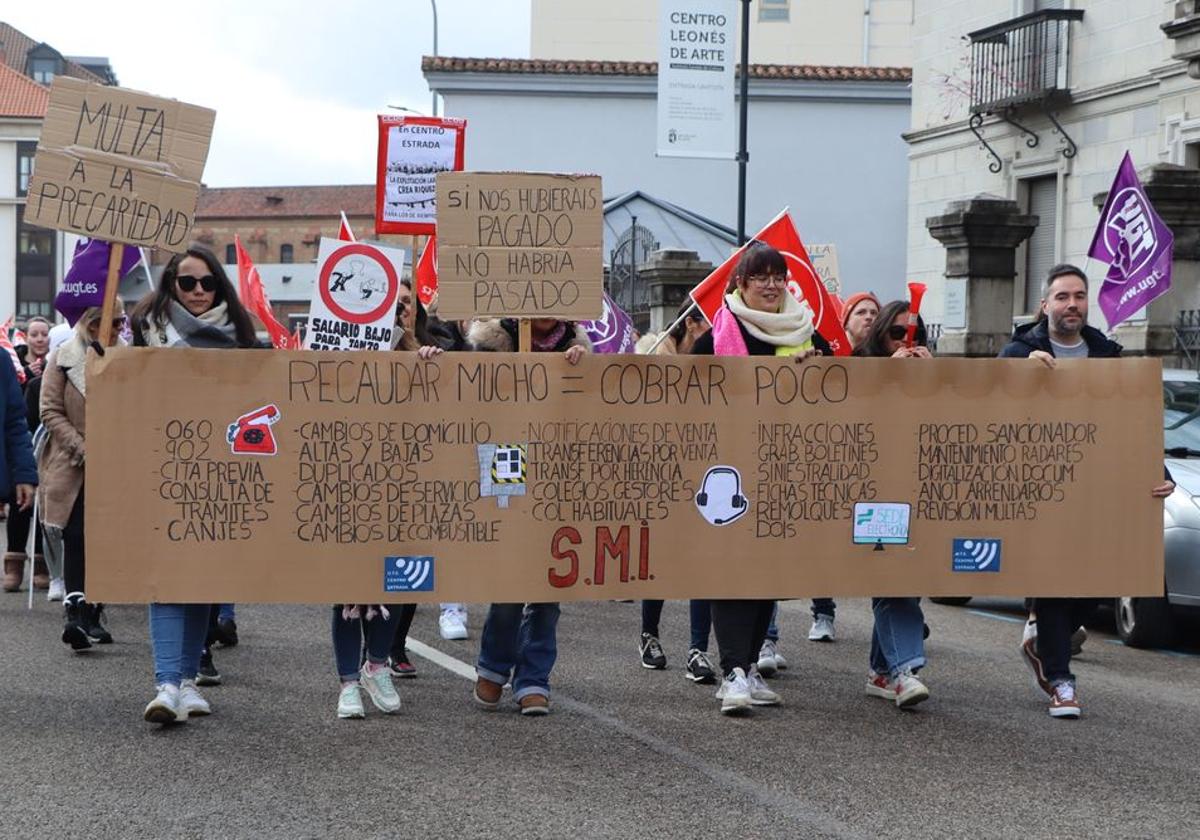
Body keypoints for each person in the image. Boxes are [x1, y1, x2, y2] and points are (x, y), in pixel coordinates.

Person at [999, 263, 1174, 718]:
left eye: (1079, 295)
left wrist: (1157, 472)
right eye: (1062, 296)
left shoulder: (1107, 356)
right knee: (1058, 583)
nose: (1071, 304)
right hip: (1042, 494)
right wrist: (1020, 366)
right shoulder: (1022, 349)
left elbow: (1132, 425)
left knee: (1095, 583)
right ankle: (1061, 680)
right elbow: (989, 390)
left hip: (1097, 495)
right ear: (1045, 304)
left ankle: (1042, 639)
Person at [691, 242, 818, 714]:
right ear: (740, 284)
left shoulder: (808, 334)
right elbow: (686, 397)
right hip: (728, 473)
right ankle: (734, 673)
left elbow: (843, 392)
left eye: (777, 275)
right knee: (733, 572)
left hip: (784, 470)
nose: (770, 284)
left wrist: (816, 373)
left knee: (768, 571)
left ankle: (746, 666)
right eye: (759, 276)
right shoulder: (716, 337)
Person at [131, 245, 257, 723]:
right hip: (161, 467)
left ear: (220, 285)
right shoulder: (146, 331)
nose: (199, 291)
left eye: (208, 282)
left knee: (204, 578)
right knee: (166, 578)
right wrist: (105, 362)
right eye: (188, 283)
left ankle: (186, 681)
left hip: (221, 473)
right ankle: (166, 683)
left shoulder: (241, 335)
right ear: (171, 286)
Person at [468, 316, 591, 715]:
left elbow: (595, 410)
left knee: (549, 581)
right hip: (506, 455)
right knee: (510, 574)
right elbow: (466, 398)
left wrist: (583, 368)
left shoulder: (578, 346)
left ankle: (534, 677)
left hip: (560, 462)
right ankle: (493, 665)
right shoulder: (491, 342)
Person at [852, 299, 936, 708]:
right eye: (897, 333)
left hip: (916, 490)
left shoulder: (929, 373)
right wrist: (889, 377)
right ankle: (903, 670)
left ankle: (880, 670)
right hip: (871, 490)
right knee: (893, 575)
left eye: (914, 334)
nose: (907, 340)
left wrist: (933, 380)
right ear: (880, 333)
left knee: (905, 577)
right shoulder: (857, 367)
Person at [634, 307, 717, 682]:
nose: (714, 336)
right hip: (661, 473)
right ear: (689, 323)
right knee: (662, 562)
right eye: (708, 327)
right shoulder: (651, 359)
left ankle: (698, 649)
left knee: (701, 564)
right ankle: (649, 636)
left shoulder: (716, 364)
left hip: (705, 470)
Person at [40, 304, 124, 651]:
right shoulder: (63, 357)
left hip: (116, 462)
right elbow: (49, 409)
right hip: (72, 461)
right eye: (105, 321)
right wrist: (81, 445)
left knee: (106, 537)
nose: (114, 328)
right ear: (86, 323)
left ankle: (94, 611)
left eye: (120, 322)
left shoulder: (127, 359)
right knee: (75, 535)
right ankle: (75, 611)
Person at [4, 317, 50, 592]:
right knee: (19, 509)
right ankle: (13, 562)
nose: (40, 339)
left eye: (44, 334)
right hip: (23, 443)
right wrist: (27, 374)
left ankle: (43, 563)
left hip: (42, 445)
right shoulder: (14, 361)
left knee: (41, 508)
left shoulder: (57, 362)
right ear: (27, 337)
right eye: (35, 334)